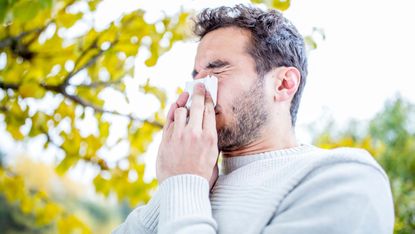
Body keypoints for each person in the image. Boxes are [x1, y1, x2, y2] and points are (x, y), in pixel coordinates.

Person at [113, 4, 394, 234]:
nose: (196, 91)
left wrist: (184, 182)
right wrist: (174, 189)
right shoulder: (195, 182)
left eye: (216, 70)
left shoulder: (343, 179)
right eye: (195, 77)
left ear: (284, 84)